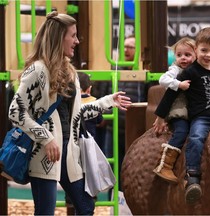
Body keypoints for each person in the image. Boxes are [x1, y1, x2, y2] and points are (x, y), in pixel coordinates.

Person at [7, 11, 131, 215]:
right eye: (72, 35)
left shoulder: (71, 72)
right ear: (58, 37)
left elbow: (75, 114)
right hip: (45, 153)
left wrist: (107, 102)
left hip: (70, 152)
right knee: (45, 212)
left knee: (86, 207)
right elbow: (15, 111)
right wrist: (46, 138)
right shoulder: (36, 70)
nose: (77, 40)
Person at [153, 27, 210, 204]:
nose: (208, 55)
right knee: (195, 137)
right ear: (196, 50)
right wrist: (160, 116)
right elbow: (171, 94)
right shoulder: (189, 72)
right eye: (204, 50)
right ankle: (193, 176)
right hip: (201, 117)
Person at [98, 35, 147, 190]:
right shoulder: (114, 70)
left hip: (135, 130)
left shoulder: (143, 73)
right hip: (113, 128)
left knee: (134, 167)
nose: (126, 50)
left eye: (130, 47)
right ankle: (114, 206)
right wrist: (104, 115)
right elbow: (105, 94)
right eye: (124, 46)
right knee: (111, 169)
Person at [153, 37, 196, 183]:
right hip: (179, 110)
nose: (183, 58)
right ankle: (165, 164)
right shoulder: (175, 70)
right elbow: (163, 80)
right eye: (179, 55)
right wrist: (178, 84)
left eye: (187, 55)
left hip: (193, 111)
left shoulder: (196, 70)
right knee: (181, 131)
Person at [78, 72, 106, 150]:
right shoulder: (95, 102)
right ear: (89, 89)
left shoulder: (71, 102)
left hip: (74, 141)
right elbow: (100, 121)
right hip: (90, 141)